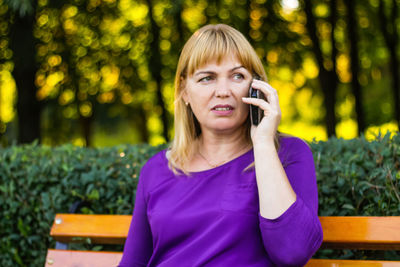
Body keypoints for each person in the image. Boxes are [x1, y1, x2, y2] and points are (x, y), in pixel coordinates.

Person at [118, 24, 323, 267]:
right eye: (207, 78)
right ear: (184, 90)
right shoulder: (156, 169)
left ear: (256, 87)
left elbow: (293, 251)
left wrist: (263, 144)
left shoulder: (287, 154)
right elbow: (133, 262)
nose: (223, 91)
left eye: (238, 76)